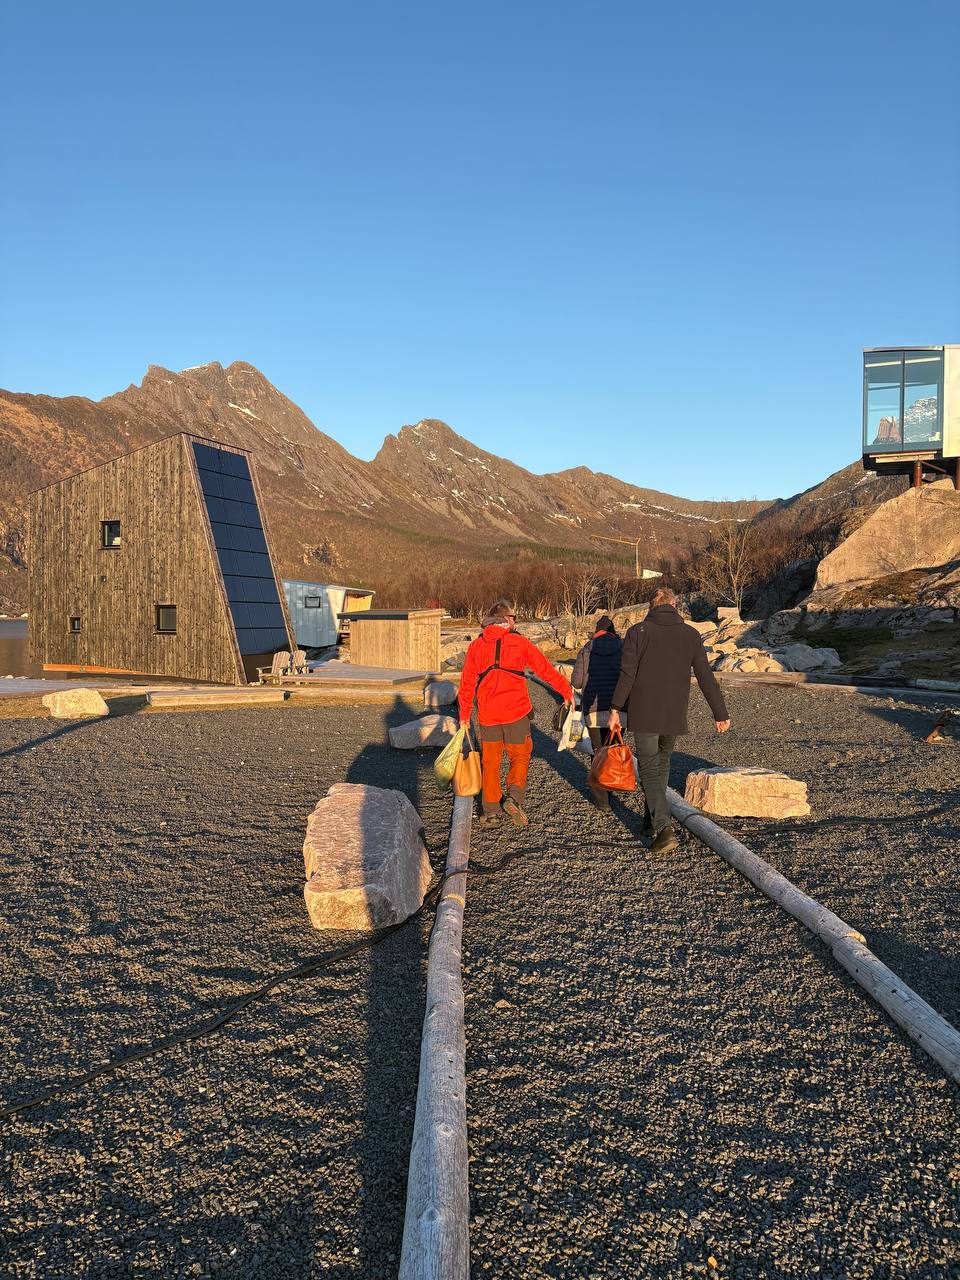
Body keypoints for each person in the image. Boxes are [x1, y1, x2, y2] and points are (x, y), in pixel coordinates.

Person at [608, 586, 730, 853]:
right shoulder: (690, 634)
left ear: (651, 607)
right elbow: (705, 676)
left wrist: (615, 708)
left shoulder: (637, 633)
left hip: (644, 712)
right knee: (661, 767)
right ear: (675, 606)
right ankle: (650, 821)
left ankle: (663, 828)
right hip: (674, 712)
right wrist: (720, 713)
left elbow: (626, 676)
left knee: (650, 769)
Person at [458, 600, 574, 827]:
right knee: (520, 755)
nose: (515, 622)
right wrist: (566, 691)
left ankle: (490, 811)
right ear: (507, 619)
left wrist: (464, 716)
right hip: (516, 712)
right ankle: (514, 797)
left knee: (490, 761)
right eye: (514, 618)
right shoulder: (519, 642)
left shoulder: (476, 646)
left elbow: (466, 684)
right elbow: (544, 669)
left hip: (488, 714)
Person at [571, 614, 623, 809]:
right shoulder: (623, 648)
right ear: (612, 631)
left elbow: (576, 682)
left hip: (592, 709)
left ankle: (602, 799)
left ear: (596, 630)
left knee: (597, 752)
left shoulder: (587, 649)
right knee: (613, 749)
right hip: (618, 711)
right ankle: (613, 786)